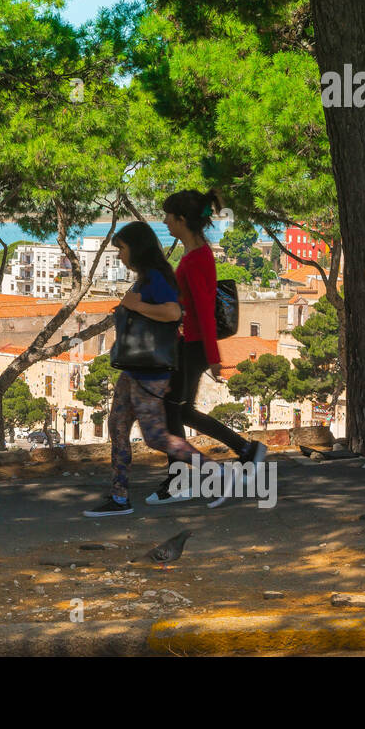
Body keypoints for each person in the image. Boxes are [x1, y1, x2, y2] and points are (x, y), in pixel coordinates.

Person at [83, 221, 231, 517]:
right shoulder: (146, 278)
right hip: (133, 369)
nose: (120, 255)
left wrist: (136, 307)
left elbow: (173, 312)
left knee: (156, 437)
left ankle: (223, 475)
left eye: (122, 249)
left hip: (150, 372)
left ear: (137, 248)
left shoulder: (156, 278)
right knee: (118, 427)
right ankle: (120, 497)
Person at [145, 189, 266, 506]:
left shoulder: (197, 259)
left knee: (172, 411)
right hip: (191, 344)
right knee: (181, 410)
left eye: (169, 216)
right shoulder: (194, 255)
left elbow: (204, 310)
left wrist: (214, 358)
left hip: (194, 347)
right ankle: (246, 449)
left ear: (182, 220)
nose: (165, 221)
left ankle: (178, 481)